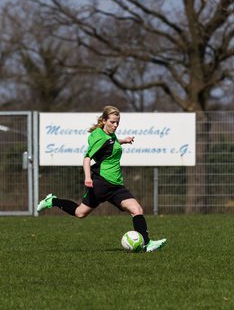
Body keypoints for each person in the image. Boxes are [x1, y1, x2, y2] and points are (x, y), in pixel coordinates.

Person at [37, 105, 167, 252]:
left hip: (117, 185)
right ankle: (52, 201)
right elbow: (87, 158)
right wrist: (87, 177)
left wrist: (124, 140)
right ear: (104, 120)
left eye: (117, 122)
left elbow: (112, 143)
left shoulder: (110, 135)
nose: (115, 125)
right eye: (112, 122)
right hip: (101, 184)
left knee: (136, 209)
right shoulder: (100, 138)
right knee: (80, 213)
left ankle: (147, 244)